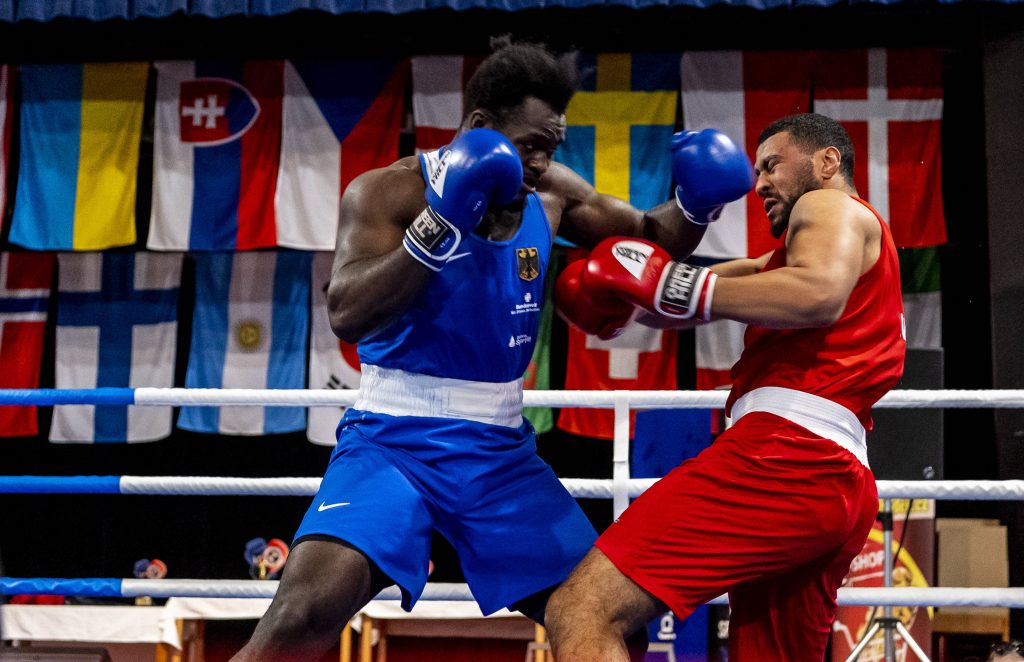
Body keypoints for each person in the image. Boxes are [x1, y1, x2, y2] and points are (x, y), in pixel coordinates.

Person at [229, 36, 754, 662]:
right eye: (530, 144)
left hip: (499, 450)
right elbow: (345, 311)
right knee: (302, 613)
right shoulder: (388, 192)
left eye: (552, 146)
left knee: (610, 623)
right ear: (479, 127)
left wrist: (698, 202)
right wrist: (439, 224)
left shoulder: (551, 191)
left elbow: (649, 236)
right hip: (393, 438)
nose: (539, 162)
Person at [545, 112, 907, 662]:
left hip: (784, 457)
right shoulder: (802, 255)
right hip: (836, 479)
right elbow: (700, 295)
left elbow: (815, 294)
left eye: (772, 165)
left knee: (583, 608)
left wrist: (675, 286)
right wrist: (630, 299)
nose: (758, 182)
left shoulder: (828, 206)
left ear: (828, 161)